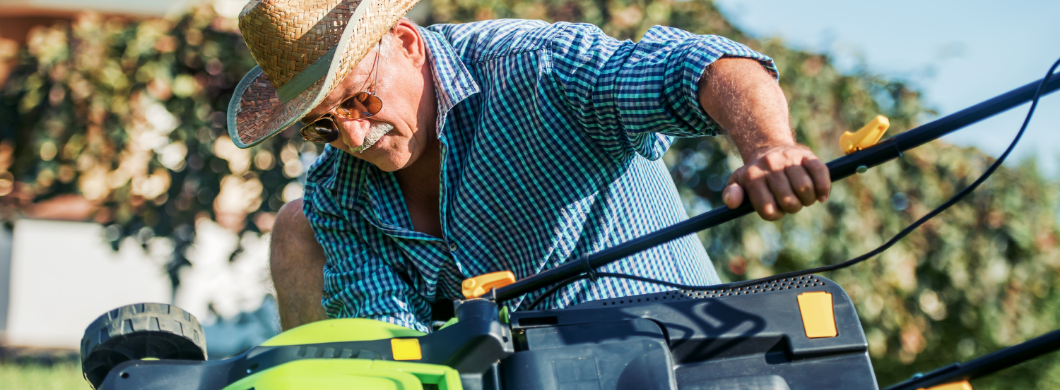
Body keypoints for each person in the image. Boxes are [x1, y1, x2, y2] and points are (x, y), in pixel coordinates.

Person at [227, 0, 831, 332]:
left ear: (407, 44)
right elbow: (389, 340)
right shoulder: (340, 195)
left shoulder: (532, 67)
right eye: (326, 125)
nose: (355, 135)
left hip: (674, 350)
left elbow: (696, 64)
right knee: (295, 223)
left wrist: (768, 147)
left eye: (359, 99)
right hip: (522, 378)